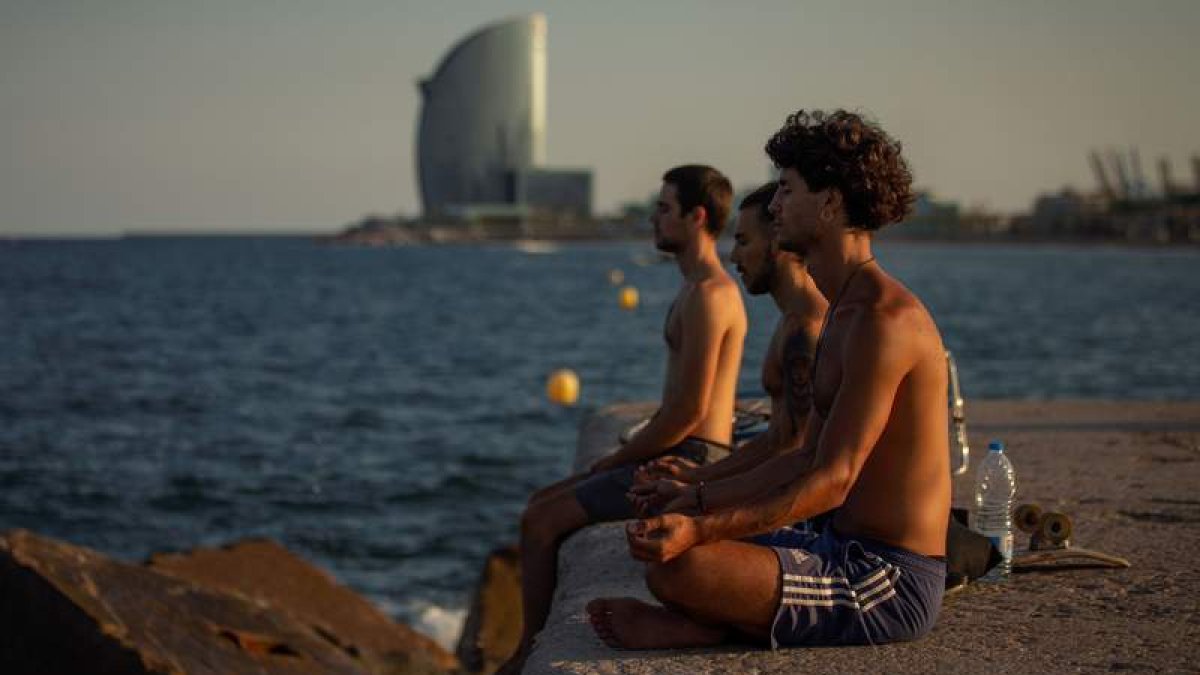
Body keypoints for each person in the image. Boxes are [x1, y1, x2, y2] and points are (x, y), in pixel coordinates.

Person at [588, 109, 951, 649]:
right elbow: (802, 455)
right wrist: (696, 495)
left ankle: (703, 630)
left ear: (828, 205)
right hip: (835, 541)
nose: (774, 205)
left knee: (679, 568)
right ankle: (716, 619)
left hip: (885, 578)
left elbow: (835, 477)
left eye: (786, 190)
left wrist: (702, 527)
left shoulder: (883, 320)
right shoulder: (843, 308)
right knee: (667, 529)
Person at [496, 165, 747, 674]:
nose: (652, 220)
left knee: (540, 520)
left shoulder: (708, 297)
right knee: (541, 503)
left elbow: (688, 412)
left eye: (662, 209)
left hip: (691, 456)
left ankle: (528, 651)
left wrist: (615, 458)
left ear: (696, 217)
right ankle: (528, 645)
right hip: (683, 447)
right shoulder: (698, 289)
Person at [631, 181, 827, 508]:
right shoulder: (790, 322)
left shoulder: (805, 332)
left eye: (743, 241)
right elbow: (776, 440)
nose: (734, 256)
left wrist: (700, 493)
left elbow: (798, 456)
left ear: (778, 240)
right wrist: (696, 477)